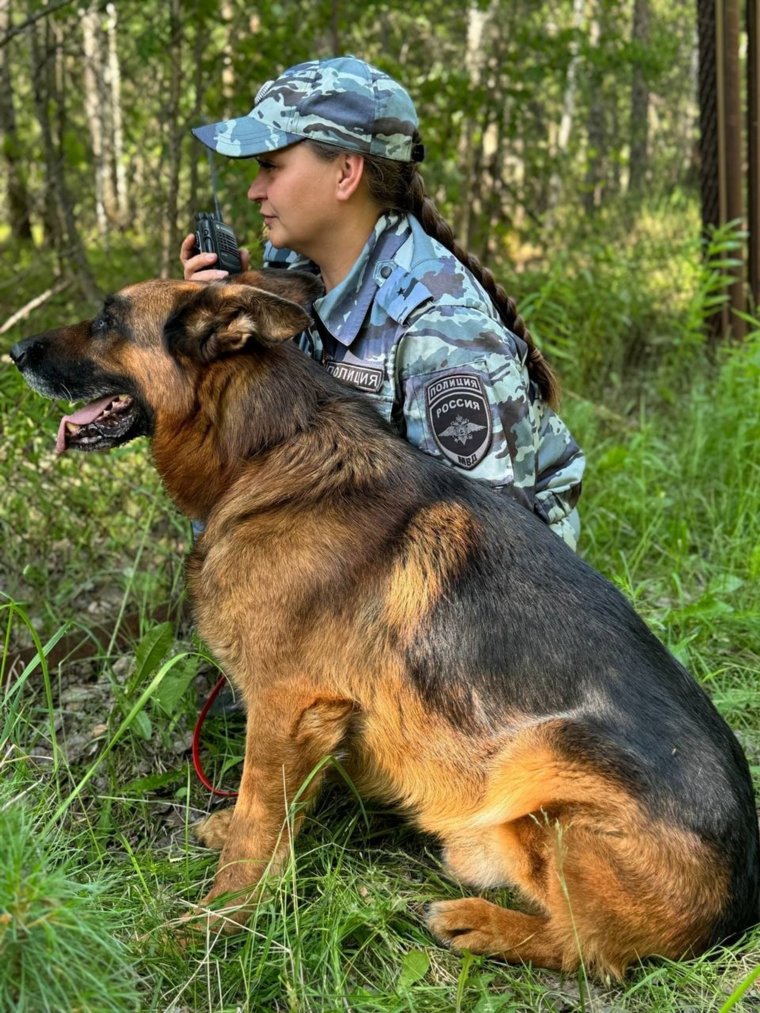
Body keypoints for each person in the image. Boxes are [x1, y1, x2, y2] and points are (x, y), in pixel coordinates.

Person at [181, 56, 585, 549]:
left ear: (346, 173)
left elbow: (493, 552)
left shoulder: (443, 333)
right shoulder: (292, 272)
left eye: (271, 165)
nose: (253, 190)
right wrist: (216, 337)